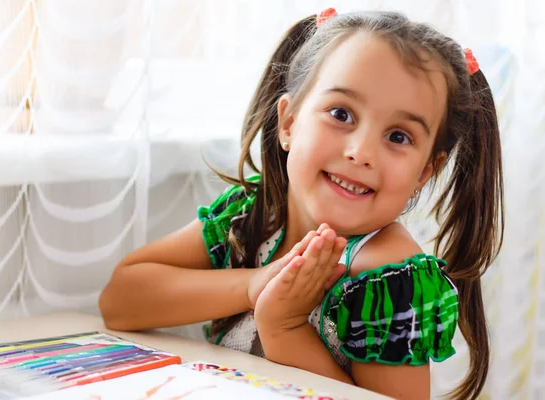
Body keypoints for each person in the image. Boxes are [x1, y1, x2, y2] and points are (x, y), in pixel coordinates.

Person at [99, 8, 504, 400]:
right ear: (289, 123)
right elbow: (120, 301)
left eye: (398, 136)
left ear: (424, 172)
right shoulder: (251, 216)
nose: (361, 152)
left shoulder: (387, 278)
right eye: (341, 113)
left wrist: (285, 326)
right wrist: (255, 285)